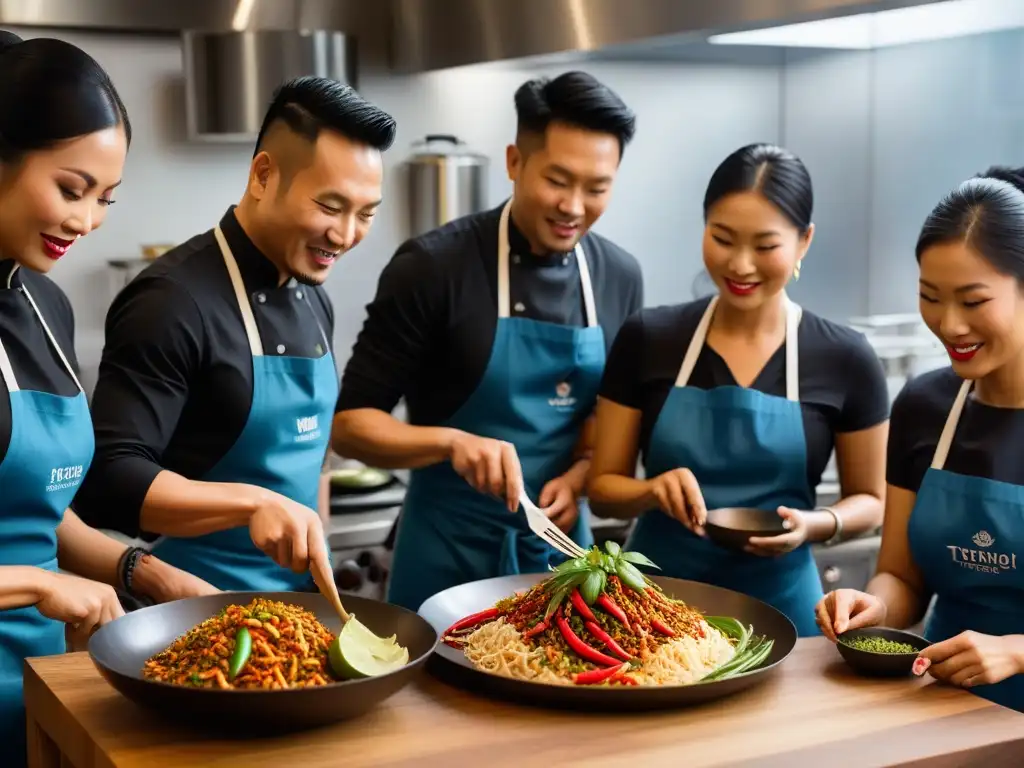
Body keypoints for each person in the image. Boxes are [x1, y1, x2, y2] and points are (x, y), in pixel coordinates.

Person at [331, 71, 644, 611]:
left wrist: (578, 477)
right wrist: (450, 443)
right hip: (445, 559)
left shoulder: (619, 276)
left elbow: (606, 432)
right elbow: (351, 426)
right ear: (515, 162)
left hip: (566, 566)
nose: (573, 206)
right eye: (558, 180)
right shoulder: (433, 267)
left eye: (596, 188)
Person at [73, 77, 397, 591]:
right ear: (264, 176)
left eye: (366, 214)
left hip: (301, 614)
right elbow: (111, 477)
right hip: (197, 613)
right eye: (331, 207)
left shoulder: (314, 292)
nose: (345, 234)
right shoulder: (170, 301)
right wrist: (253, 504)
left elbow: (314, 459)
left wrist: (321, 549)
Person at [0, 30, 218, 767]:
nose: (87, 221)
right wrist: (38, 584)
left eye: (105, 199)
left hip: (44, 695)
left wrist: (139, 570)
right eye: (70, 188)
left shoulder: (45, 309)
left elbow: (35, 507)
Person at [586, 143, 890, 637]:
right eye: (722, 238)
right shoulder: (649, 338)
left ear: (804, 241)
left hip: (786, 609)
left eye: (766, 246)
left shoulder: (845, 357)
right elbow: (603, 491)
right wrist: (649, 491)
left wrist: (813, 525)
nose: (740, 265)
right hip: (651, 611)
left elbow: (871, 500)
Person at [816, 166, 1024, 710]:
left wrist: (1019, 652)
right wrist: (872, 605)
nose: (949, 324)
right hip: (940, 706)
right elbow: (902, 576)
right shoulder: (925, 406)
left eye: (974, 301)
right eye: (931, 296)